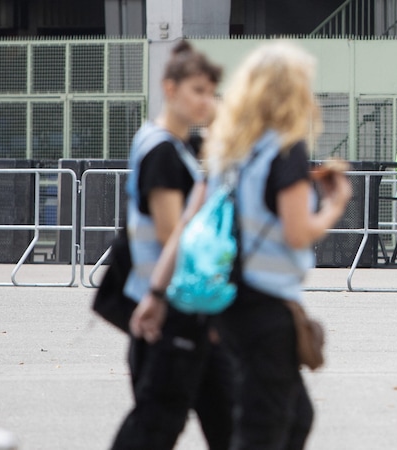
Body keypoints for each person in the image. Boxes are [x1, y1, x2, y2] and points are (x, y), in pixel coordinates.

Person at [134, 41, 352, 449]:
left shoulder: (226, 149)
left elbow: (186, 225)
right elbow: (298, 232)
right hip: (265, 308)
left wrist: (157, 293)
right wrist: (335, 204)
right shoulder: (284, 149)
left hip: (228, 304)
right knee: (263, 428)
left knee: (295, 416)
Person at [110, 41, 232, 450]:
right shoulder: (162, 152)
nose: (206, 101)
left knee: (227, 418)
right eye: (197, 90)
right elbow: (172, 236)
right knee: (157, 423)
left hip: (179, 304)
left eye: (211, 91)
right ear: (170, 88)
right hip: (170, 308)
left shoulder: (169, 144)